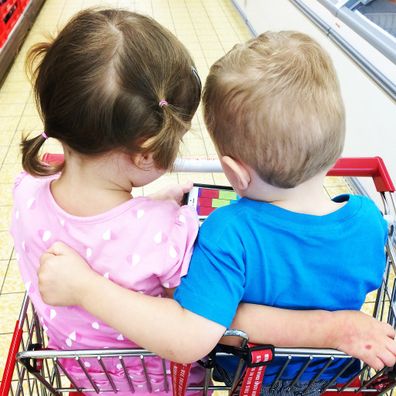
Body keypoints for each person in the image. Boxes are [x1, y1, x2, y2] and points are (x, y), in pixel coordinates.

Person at [37, 31, 396, 394]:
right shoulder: (368, 221)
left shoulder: (227, 233)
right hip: (339, 373)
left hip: (256, 379)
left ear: (235, 173)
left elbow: (204, 324)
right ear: (335, 150)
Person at [10, 8, 204, 395]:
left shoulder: (27, 187)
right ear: (146, 153)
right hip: (160, 385)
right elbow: (187, 321)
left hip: (84, 374)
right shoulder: (164, 232)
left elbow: (102, 229)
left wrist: (151, 205)